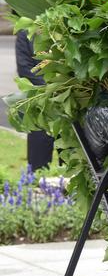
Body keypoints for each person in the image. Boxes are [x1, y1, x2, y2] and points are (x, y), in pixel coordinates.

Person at [14, 28, 54, 170]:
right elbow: (24, 69)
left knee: (71, 155)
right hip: (39, 103)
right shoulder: (25, 33)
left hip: (67, 99)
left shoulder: (62, 26)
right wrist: (51, 88)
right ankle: (37, 183)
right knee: (38, 158)